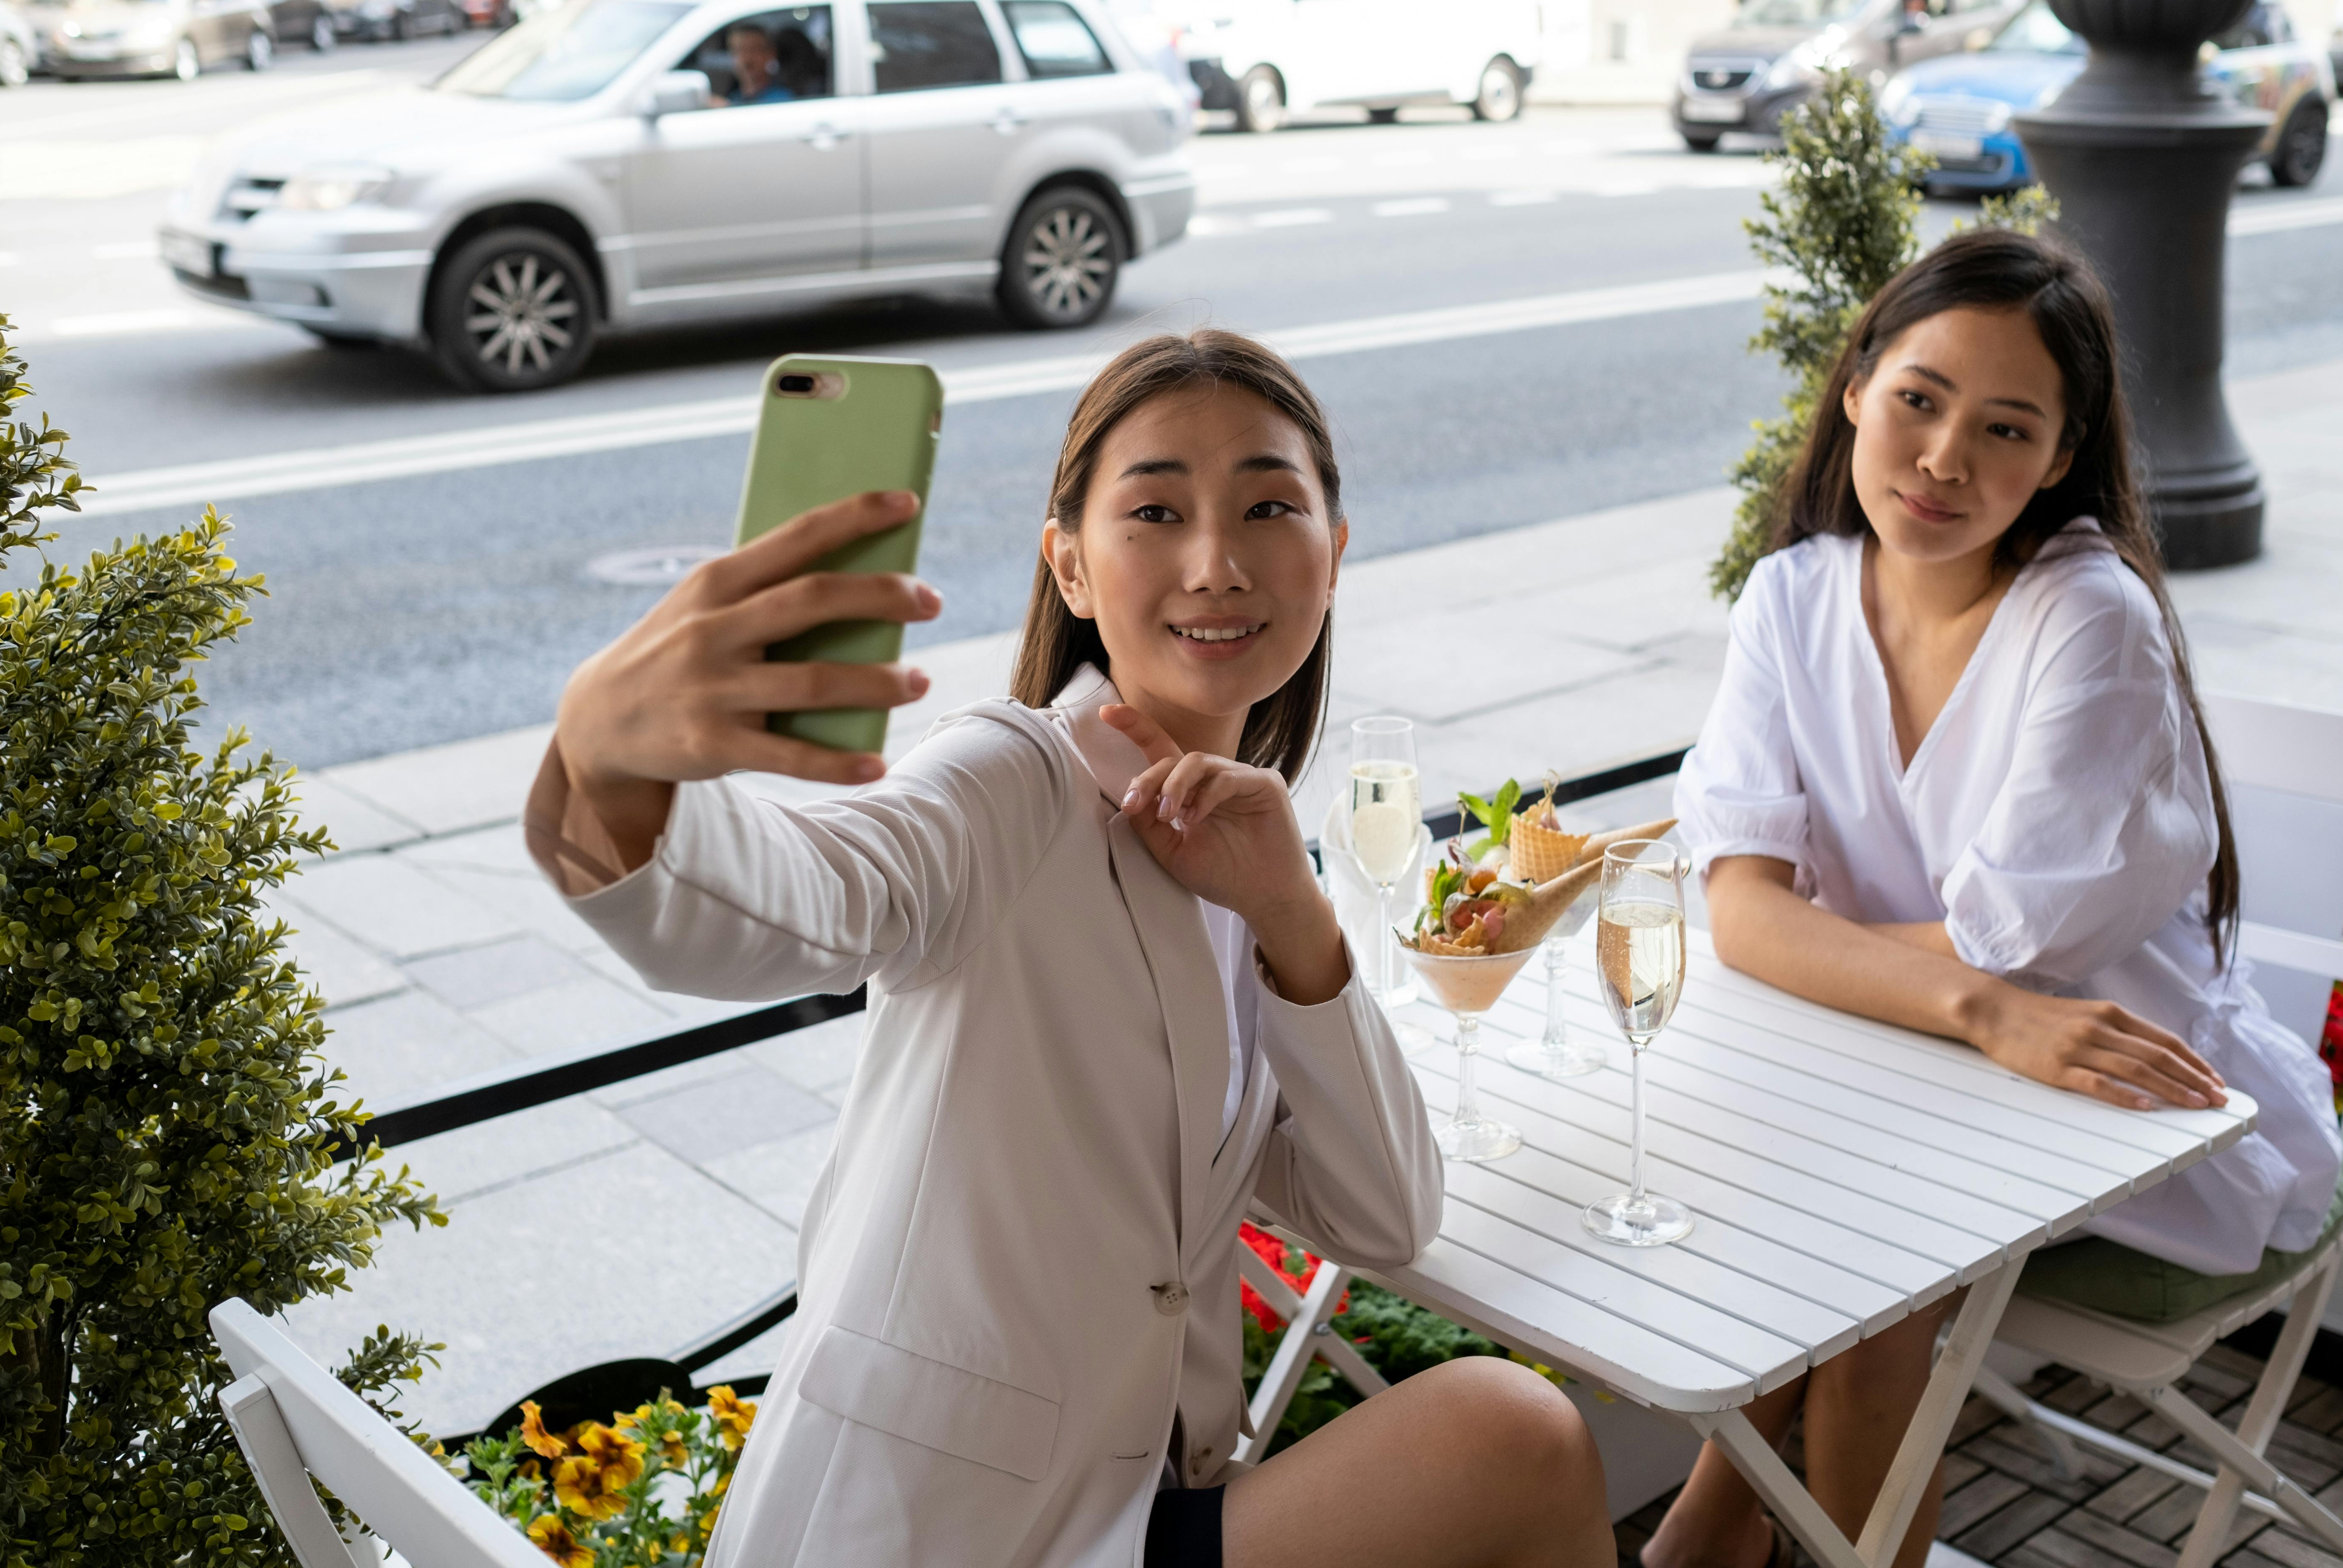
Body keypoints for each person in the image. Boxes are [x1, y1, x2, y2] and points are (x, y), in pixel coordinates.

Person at [525, 330, 1614, 1568]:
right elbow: (800, 900)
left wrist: (1291, 917)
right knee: (1511, 1430)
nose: (1216, 562)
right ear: (1073, 567)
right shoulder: (1015, 776)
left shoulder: (1239, 854)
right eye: (1154, 510)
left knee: (1511, 1437)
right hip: (934, 1534)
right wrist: (613, 771)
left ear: (1333, 555)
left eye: (1269, 505)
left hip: (1129, 1513)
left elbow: (1386, 1212)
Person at [1642, 230, 2343, 1568]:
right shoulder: (1790, 600)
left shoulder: (2087, 617)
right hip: (1917, 1054)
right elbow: (1743, 915)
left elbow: (2001, 942)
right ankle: (1717, 1524)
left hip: (2105, 1084)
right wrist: (1967, 1004)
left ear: (2063, 456)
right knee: (1787, 1199)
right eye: (1918, 398)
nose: (1943, 459)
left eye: (2005, 427)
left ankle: (1713, 1530)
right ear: (1854, 385)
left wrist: (1866, 959)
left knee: (1860, 1276)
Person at [720, 21, 793, 105]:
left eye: (753, 50)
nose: (746, 59)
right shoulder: (734, 97)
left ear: (771, 54)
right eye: (738, 51)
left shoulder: (784, 99)